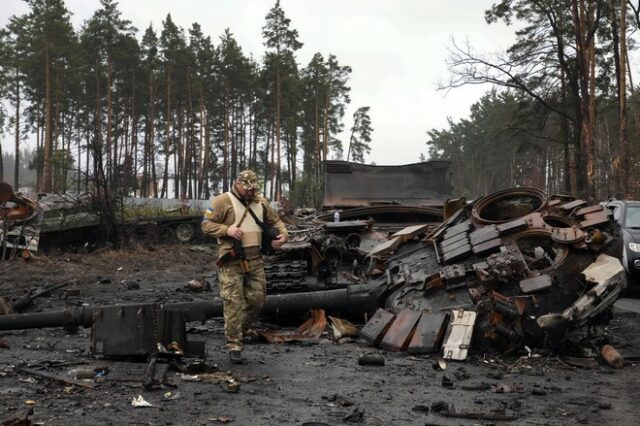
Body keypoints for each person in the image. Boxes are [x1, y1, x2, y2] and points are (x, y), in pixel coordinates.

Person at [201, 170, 288, 364]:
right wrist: (227, 230)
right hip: (231, 260)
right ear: (237, 184)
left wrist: (283, 236)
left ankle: (237, 330)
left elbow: (276, 222)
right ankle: (234, 345)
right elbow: (206, 225)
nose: (250, 192)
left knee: (258, 299)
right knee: (233, 302)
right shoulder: (222, 201)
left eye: (253, 189)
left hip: (255, 259)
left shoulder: (261, 202)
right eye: (247, 189)